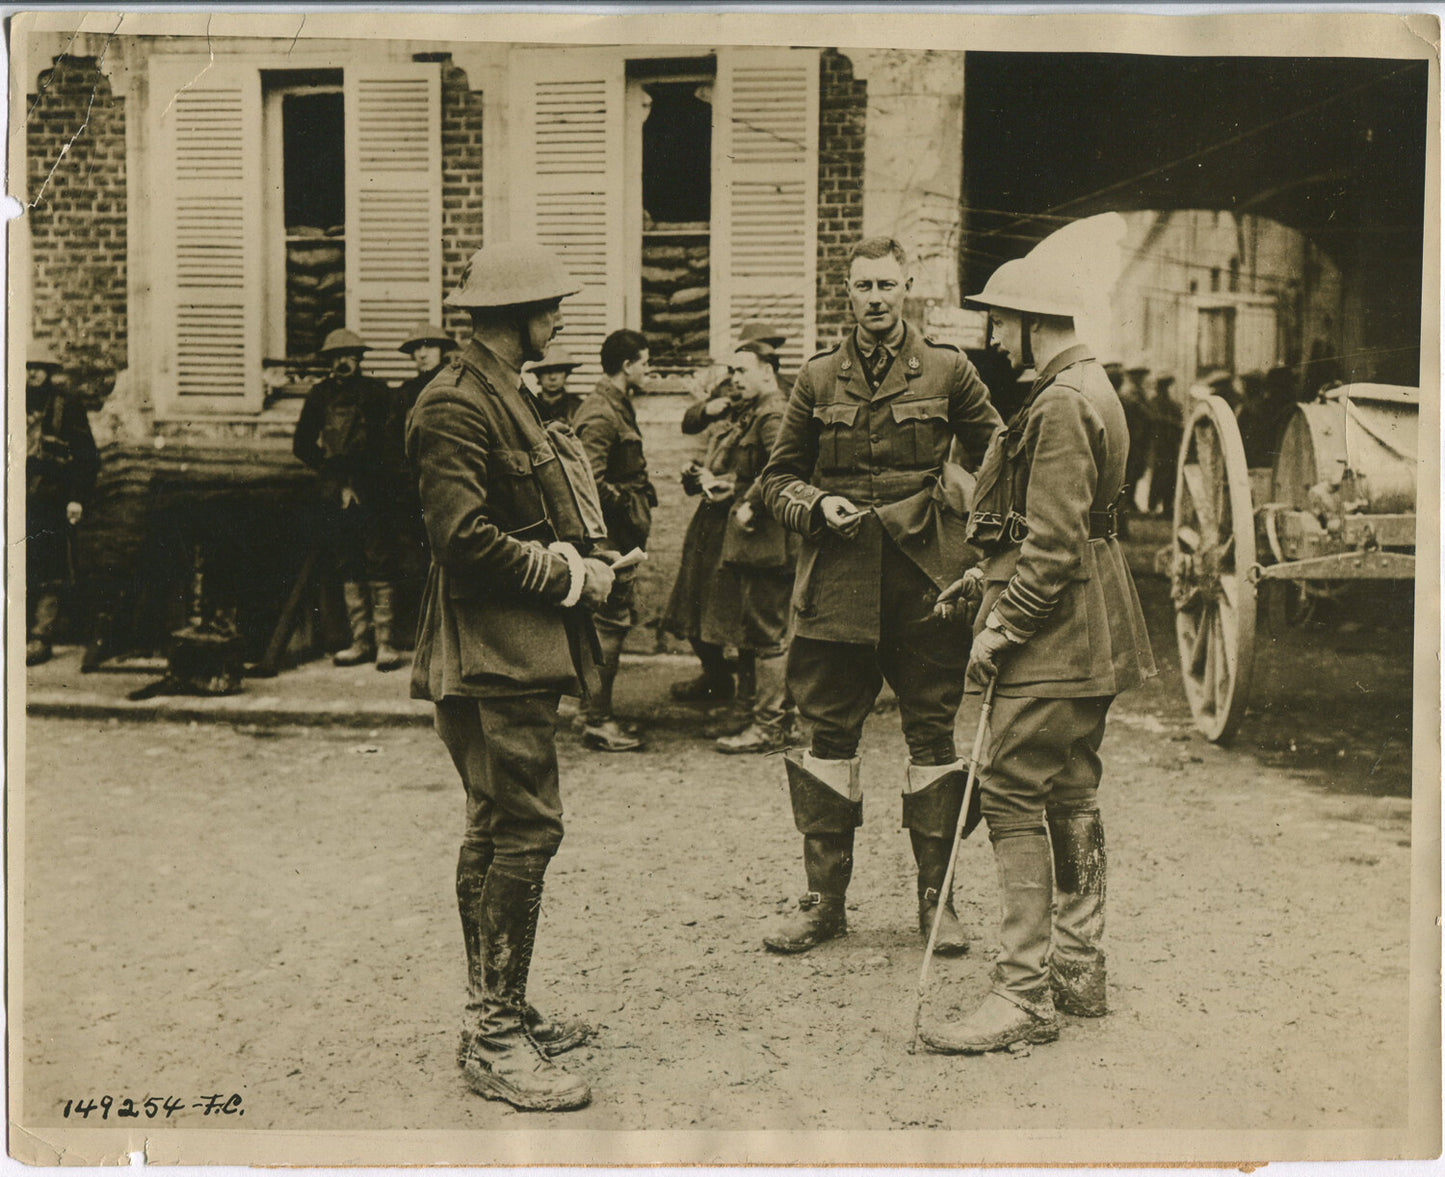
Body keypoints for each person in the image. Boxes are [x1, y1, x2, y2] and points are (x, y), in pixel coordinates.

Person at [921, 245, 1156, 1056]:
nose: (994, 338)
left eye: (999, 321)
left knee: (1012, 787)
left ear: (1031, 321)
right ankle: (1077, 965)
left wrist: (1001, 625)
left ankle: (1020, 992)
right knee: (1072, 784)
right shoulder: (1089, 385)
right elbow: (1055, 526)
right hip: (1089, 623)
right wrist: (980, 577)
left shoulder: (1059, 403)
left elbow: (1052, 546)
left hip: (1054, 633)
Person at [406, 241, 617, 1112]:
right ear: (514, 315)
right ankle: (494, 1037)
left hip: (512, 645)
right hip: (488, 649)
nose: (558, 319)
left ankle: (498, 1009)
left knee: (498, 825)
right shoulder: (454, 404)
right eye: (548, 306)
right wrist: (566, 575)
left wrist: (587, 558)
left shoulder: (507, 394)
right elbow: (461, 537)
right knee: (524, 828)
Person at [759, 236, 1003, 956]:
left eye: (886, 285)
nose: (874, 299)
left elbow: (1001, 456)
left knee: (932, 736)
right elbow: (775, 479)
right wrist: (815, 503)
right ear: (847, 292)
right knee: (828, 738)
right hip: (837, 584)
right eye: (863, 286)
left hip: (925, 585)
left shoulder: (949, 370)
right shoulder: (816, 378)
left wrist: (972, 536)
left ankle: (937, 903)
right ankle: (823, 902)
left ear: (907, 288)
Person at [663, 339, 798, 754]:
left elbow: (782, 471)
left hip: (768, 539)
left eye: (742, 371)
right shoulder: (754, 413)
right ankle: (749, 713)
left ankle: (771, 727)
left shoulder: (773, 415)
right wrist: (725, 486)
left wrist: (744, 497)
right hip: (752, 539)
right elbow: (751, 472)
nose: (734, 379)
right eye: (732, 371)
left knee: (767, 635)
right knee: (752, 631)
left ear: (767, 372)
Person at [292, 329, 402, 669]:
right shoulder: (319, 396)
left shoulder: (377, 393)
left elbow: (391, 441)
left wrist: (371, 475)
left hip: (374, 490)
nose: (343, 362)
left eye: (350, 355)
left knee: (379, 561)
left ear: (359, 358)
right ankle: (360, 641)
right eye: (336, 357)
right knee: (348, 561)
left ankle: (385, 642)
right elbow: (302, 444)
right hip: (335, 491)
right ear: (329, 361)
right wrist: (331, 473)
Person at [572, 329, 657, 753]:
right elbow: (586, 481)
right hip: (609, 538)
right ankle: (598, 720)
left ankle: (590, 711)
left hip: (619, 534)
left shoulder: (616, 404)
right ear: (627, 366)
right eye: (645, 363)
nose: (649, 370)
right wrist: (625, 503)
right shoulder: (602, 412)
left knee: (606, 625)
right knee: (610, 625)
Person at [25, 348, 99, 666]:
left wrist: (76, 497)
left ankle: (41, 636)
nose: (32, 374)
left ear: (50, 371)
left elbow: (86, 456)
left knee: (49, 567)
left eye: (38, 368)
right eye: (27, 367)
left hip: (50, 500)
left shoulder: (65, 406)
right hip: (14, 499)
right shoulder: (10, 400)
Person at [526, 343, 584, 425]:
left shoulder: (578, 408)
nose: (552, 377)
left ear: (566, 374)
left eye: (558, 370)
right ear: (538, 376)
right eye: (546, 371)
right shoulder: (530, 407)